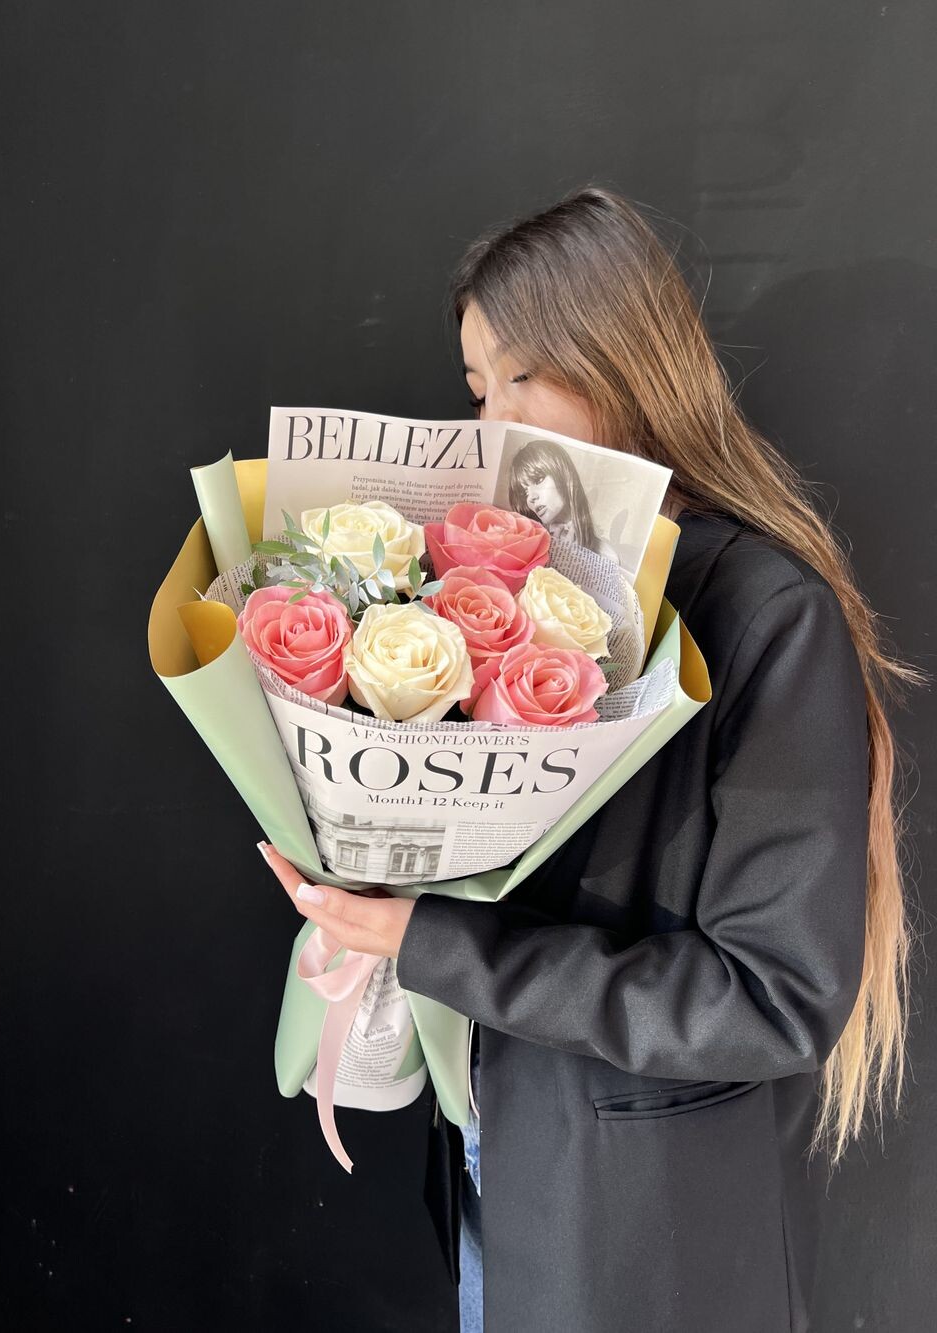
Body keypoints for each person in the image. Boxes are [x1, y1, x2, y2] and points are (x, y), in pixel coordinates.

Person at [262, 185, 923, 1332]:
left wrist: (435, 942)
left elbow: (771, 999)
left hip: (646, 1239)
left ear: (625, 358)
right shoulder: (484, 599)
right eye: (478, 388)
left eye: (524, 374)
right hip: (491, 1176)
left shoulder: (765, 613)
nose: (493, 423)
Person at [506, 437, 623, 566]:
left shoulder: (607, 556)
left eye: (538, 480)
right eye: (525, 493)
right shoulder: (529, 547)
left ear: (562, 474)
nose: (530, 498)